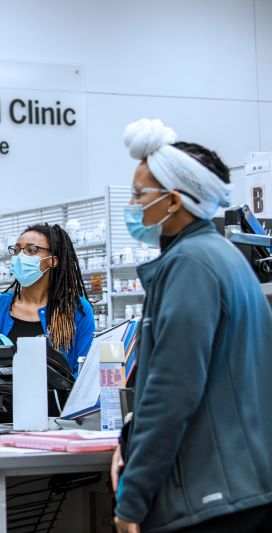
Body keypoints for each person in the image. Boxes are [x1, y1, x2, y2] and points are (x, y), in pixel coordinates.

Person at [111, 119, 272, 532]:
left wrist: (132, 500)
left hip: (210, 499)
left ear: (173, 202)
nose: (132, 203)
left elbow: (171, 390)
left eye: (138, 194)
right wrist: (130, 438)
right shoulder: (223, 257)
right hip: (243, 486)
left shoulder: (189, 265)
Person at [0, 222, 96, 375]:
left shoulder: (75, 309)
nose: (20, 257)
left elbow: (84, 372)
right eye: (16, 250)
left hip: (60, 399)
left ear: (52, 260)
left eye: (31, 250)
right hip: (8, 399)